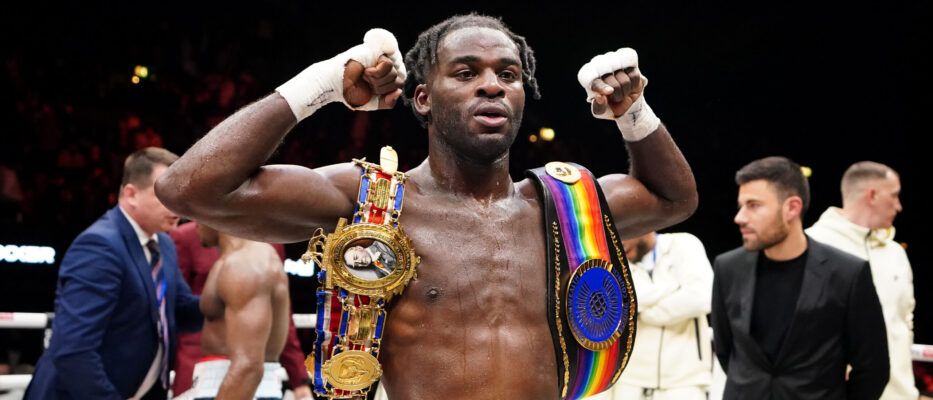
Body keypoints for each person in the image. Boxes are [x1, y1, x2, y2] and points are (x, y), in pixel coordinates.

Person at [155, 14, 697, 399]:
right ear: (424, 98)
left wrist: (634, 113)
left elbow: (675, 199)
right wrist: (320, 85)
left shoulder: (560, 207)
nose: (491, 86)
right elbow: (189, 190)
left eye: (507, 75)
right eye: (465, 73)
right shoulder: (371, 200)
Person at [25, 147, 202, 400]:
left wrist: (226, 296)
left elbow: (181, 311)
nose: (178, 205)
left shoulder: (163, 244)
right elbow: (74, 350)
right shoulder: (100, 246)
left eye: (181, 194)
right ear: (131, 194)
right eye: (167, 194)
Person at [711, 156, 890, 400]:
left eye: (753, 205)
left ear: (792, 208)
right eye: (741, 205)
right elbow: (726, 351)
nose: (740, 217)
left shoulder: (848, 274)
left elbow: (873, 368)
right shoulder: (727, 268)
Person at [806, 161, 917, 400]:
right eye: (894, 195)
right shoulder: (811, 247)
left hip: (899, 394)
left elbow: (904, 323)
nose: (898, 206)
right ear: (872, 195)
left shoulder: (896, 253)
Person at [169, 221, 314, 399]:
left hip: (239, 386)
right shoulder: (236, 259)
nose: (195, 223)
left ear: (216, 213)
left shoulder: (246, 263)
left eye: (198, 213)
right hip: (225, 381)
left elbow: (248, 366)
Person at [593, 231, 712, 400]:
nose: (618, 242)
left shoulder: (685, 244)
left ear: (645, 227)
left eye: (624, 233)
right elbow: (615, 301)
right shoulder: (614, 259)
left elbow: (702, 298)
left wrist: (646, 313)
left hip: (684, 381)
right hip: (629, 381)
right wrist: (675, 288)